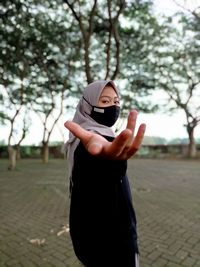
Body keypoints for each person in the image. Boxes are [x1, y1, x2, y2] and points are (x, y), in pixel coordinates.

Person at [64, 80, 146, 267]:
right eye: (105, 102)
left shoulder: (80, 139)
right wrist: (112, 164)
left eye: (116, 101)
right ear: (87, 105)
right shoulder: (91, 141)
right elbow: (98, 173)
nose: (114, 106)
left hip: (89, 236)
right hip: (113, 241)